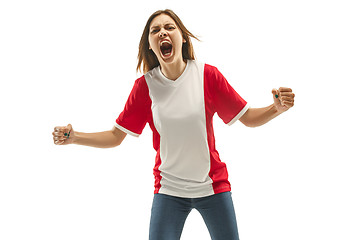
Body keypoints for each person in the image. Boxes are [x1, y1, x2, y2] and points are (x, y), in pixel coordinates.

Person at [52, 9, 295, 240]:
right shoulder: (145, 87)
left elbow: (248, 118)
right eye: (155, 30)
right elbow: (116, 136)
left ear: (183, 38)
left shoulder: (207, 76)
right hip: (168, 191)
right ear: (150, 44)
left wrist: (277, 108)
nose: (163, 33)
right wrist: (75, 137)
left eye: (170, 27)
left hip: (213, 187)